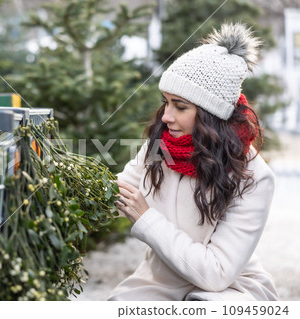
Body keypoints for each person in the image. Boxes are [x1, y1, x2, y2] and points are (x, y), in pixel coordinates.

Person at [108, 22, 278, 301]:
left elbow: (216, 273)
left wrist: (146, 219)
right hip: (158, 282)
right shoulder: (161, 147)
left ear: (211, 115)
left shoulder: (255, 177)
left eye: (180, 106)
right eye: (166, 102)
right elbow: (114, 194)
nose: (165, 117)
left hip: (230, 288)